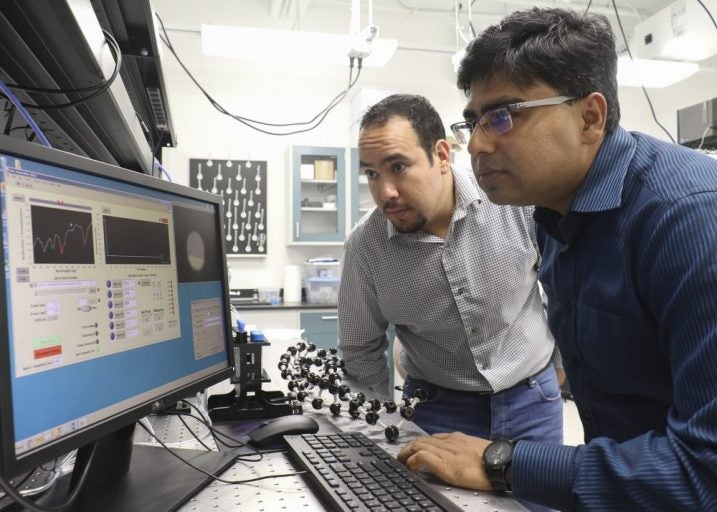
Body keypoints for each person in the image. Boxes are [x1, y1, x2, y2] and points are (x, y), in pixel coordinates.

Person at [397, 7, 717, 511]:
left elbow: (704, 472)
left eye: (502, 116)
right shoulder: (553, 216)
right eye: (473, 121)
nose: (477, 144)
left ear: (589, 116)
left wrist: (503, 462)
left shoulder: (688, 222)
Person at [337, 93, 564, 445]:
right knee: (441, 502)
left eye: (398, 167)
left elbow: (563, 284)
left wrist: (562, 363)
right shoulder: (366, 247)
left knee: (538, 501)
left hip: (532, 397)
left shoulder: (513, 203)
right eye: (371, 174)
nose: (386, 192)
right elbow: (360, 350)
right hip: (436, 409)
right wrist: (379, 431)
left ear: (441, 155)